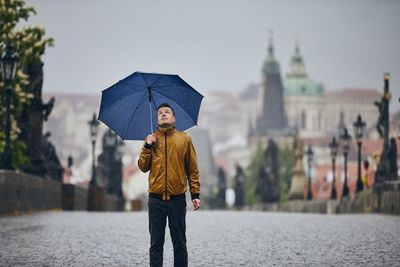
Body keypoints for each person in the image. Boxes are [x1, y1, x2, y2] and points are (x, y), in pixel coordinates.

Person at [138, 103, 201, 267]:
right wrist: (147, 146)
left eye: (167, 112)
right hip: (155, 199)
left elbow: (192, 169)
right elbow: (143, 167)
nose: (163, 114)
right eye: (160, 113)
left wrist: (195, 195)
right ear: (157, 119)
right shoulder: (150, 139)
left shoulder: (184, 139)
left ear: (174, 119)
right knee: (156, 244)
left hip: (177, 199)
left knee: (179, 243)